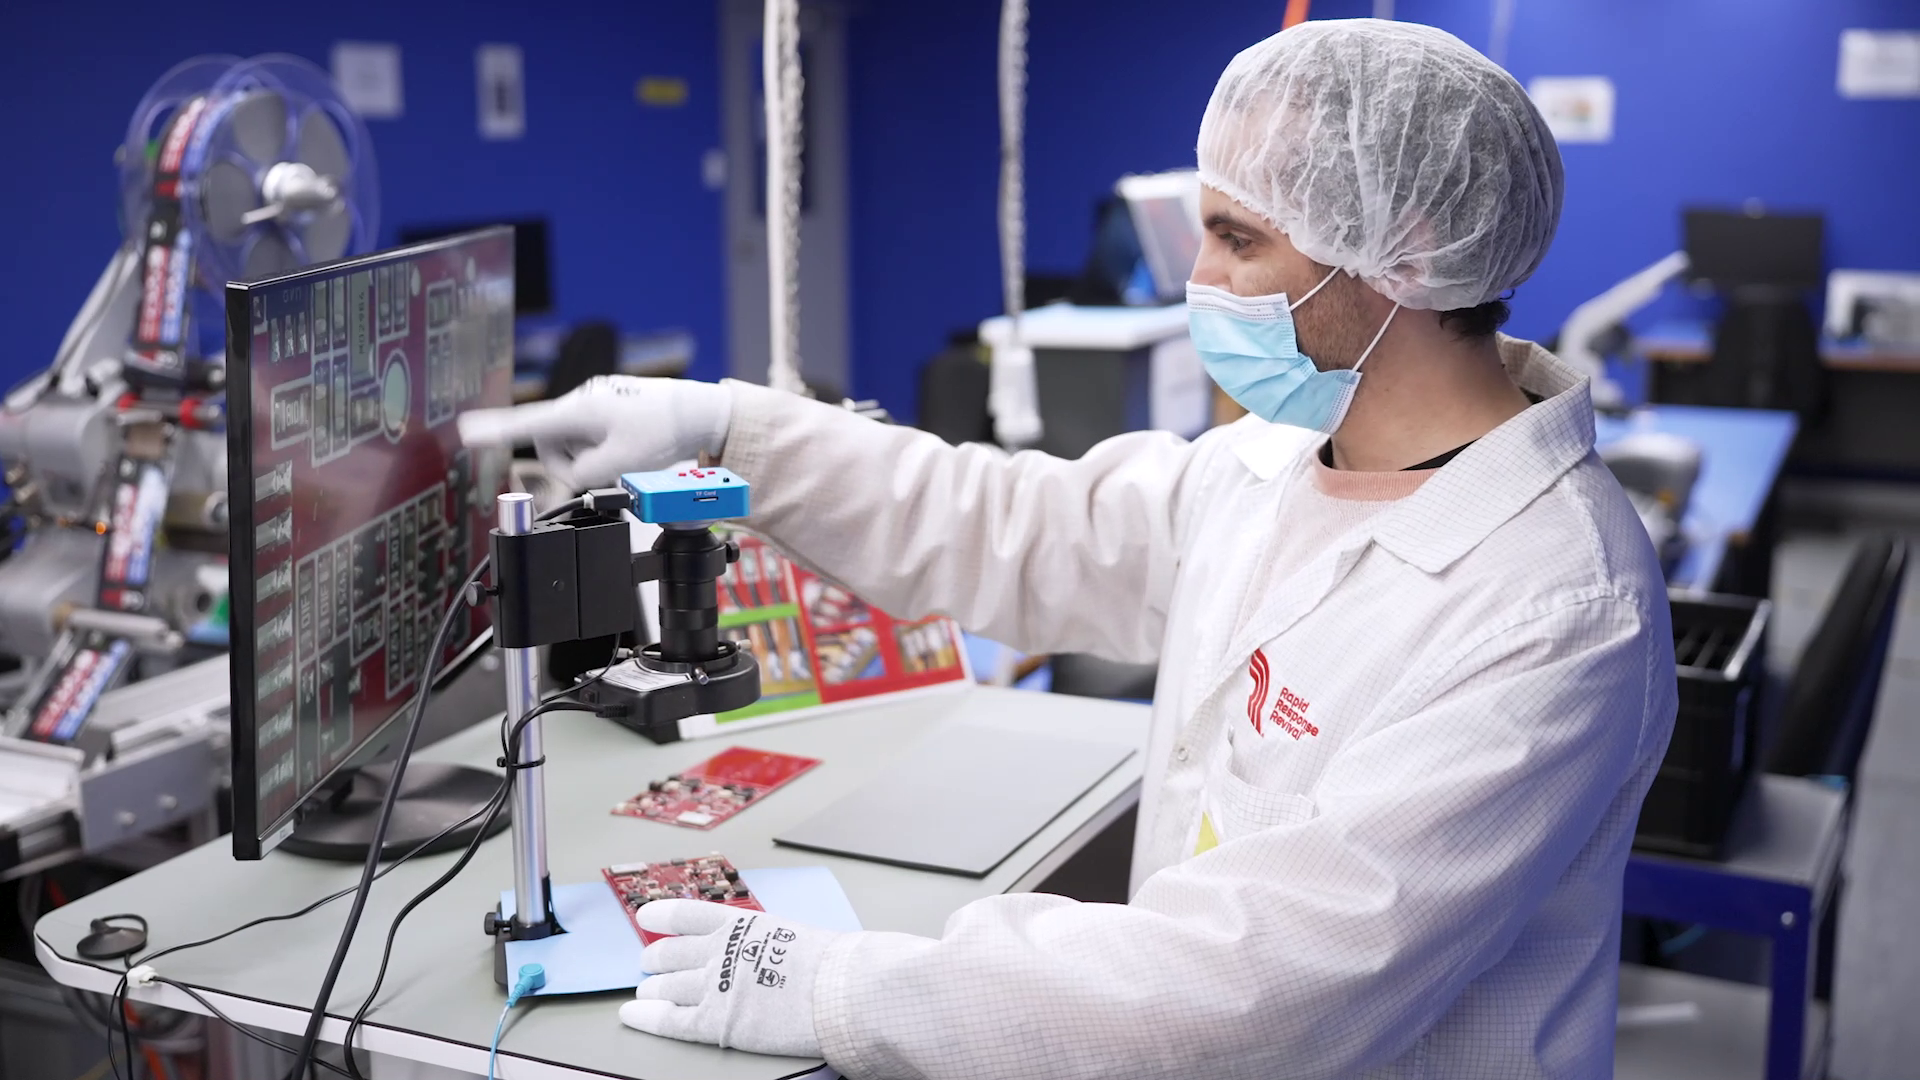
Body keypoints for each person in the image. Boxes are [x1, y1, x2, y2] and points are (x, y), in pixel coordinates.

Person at [459, 18, 1676, 1079]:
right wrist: (730, 431)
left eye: (1238, 240)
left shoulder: (1549, 608)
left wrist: (837, 990)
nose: (1199, 282)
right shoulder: (1278, 461)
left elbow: (1254, 990)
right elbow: (1011, 526)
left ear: (1403, 251)